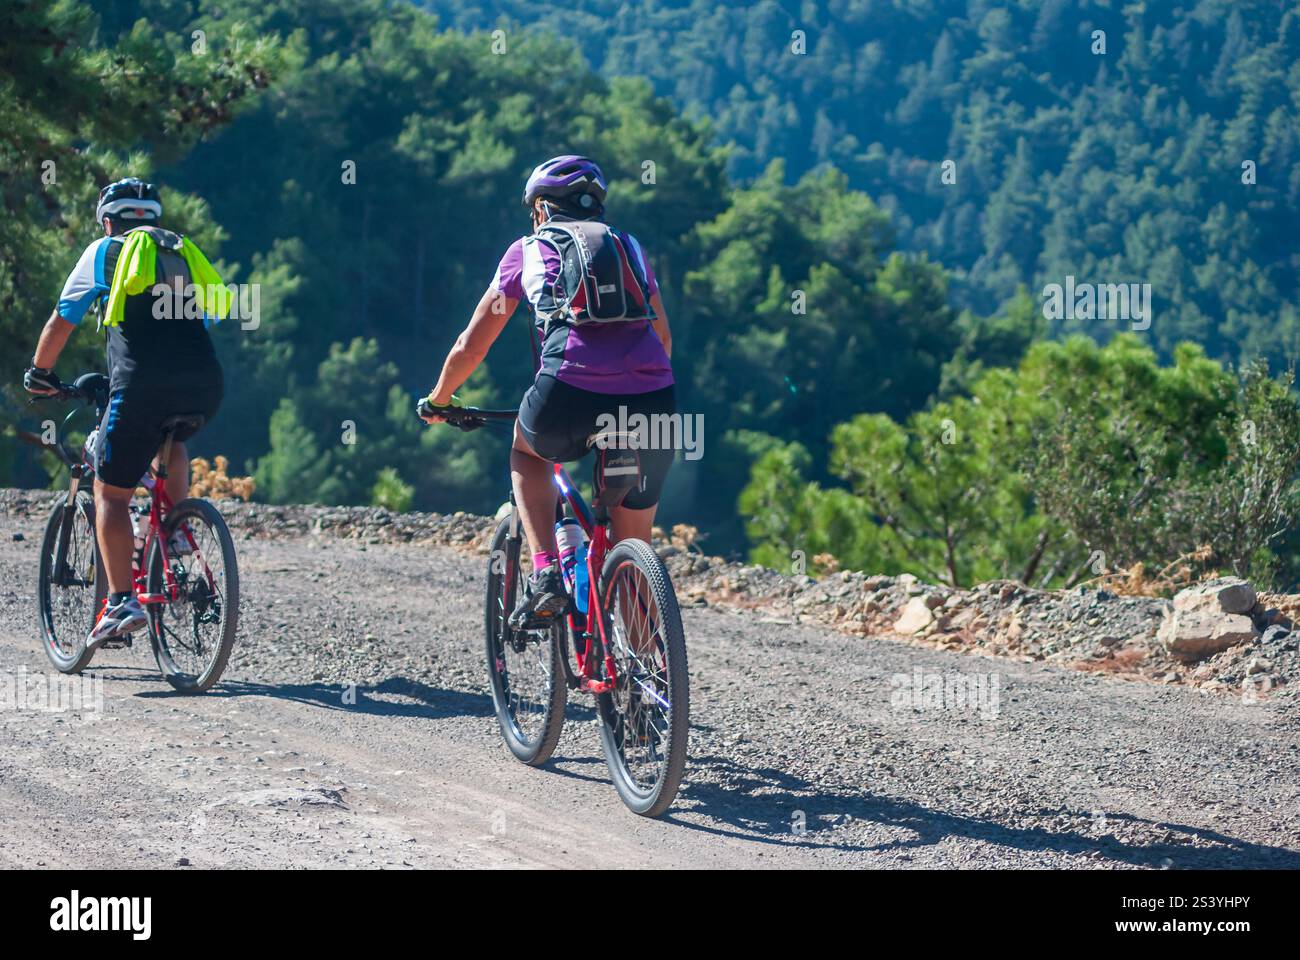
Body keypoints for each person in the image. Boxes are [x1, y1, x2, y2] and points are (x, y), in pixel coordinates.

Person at [421, 155, 675, 627]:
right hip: (652, 400)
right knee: (632, 543)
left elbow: (471, 346)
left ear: (541, 208)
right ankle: (647, 687)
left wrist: (439, 399)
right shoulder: (630, 248)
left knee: (528, 453)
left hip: (567, 391)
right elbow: (662, 340)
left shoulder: (527, 250)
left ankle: (545, 577)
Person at [23, 178, 226, 646]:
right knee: (172, 441)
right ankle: (174, 530)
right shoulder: (181, 251)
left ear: (108, 221)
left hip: (141, 386)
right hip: (205, 383)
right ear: (153, 219)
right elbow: (211, 315)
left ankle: (118, 602)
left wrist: (40, 373)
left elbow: (62, 320)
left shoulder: (104, 252)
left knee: (111, 496)